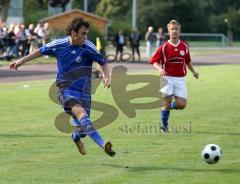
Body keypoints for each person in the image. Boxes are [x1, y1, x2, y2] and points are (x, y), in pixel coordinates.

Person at [9, 17, 116, 157]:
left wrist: (106, 76)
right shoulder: (59, 44)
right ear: (73, 32)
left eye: (86, 33)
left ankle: (76, 136)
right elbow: (41, 50)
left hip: (84, 91)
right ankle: (103, 145)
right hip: (65, 90)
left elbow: (103, 62)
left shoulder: (88, 46)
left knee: (84, 128)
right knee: (82, 115)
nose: (86, 36)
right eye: (83, 33)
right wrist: (21, 60)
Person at [149, 20, 199, 132]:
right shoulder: (164, 46)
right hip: (166, 78)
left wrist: (193, 72)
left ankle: (169, 106)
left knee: (182, 105)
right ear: (169, 31)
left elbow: (187, 61)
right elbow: (153, 61)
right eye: (172, 29)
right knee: (166, 102)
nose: (174, 31)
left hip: (180, 79)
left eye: (176, 29)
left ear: (179, 30)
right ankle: (164, 126)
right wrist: (160, 69)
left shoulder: (184, 45)